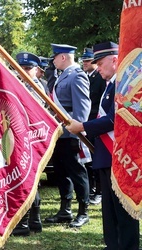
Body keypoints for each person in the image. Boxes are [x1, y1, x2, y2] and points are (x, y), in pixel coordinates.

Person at [66, 41, 140, 249]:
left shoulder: (125, 84)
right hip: (108, 155)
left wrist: (83, 126)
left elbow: (117, 118)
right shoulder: (111, 85)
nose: (97, 68)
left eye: (100, 63)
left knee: (123, 212)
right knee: (110, 212)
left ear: (115, 60)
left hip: (120, 156)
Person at [44, 44, 91, 228]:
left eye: (54, 57)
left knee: (77, 173)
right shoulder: (62, 76)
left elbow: (82, 110)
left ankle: (83, 211)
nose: (53, 60)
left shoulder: (77, 75)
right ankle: (65, 210)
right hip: (58, 133)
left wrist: (76, 133)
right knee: (61, 173)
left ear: (63, 57)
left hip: (71, 134)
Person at [10, 52, 45, 236]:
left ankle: (27, 221)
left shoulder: (37, 88)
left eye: (28, 68)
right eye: (20, 68)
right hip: (17, 138)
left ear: (36, 70)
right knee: (22, 180)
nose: (23, 72)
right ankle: (32, 220)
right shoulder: (16, 86)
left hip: (32, 140)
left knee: (29, 181)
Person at [80, 48, 107, 205]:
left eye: (88, 61)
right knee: (90, 160)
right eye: (83, 60)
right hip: (89, 123)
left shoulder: (101, 78)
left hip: (97, 123)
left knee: (97, 157)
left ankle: (100, 190)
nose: (85, 63)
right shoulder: (89, 77)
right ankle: (92, 188)